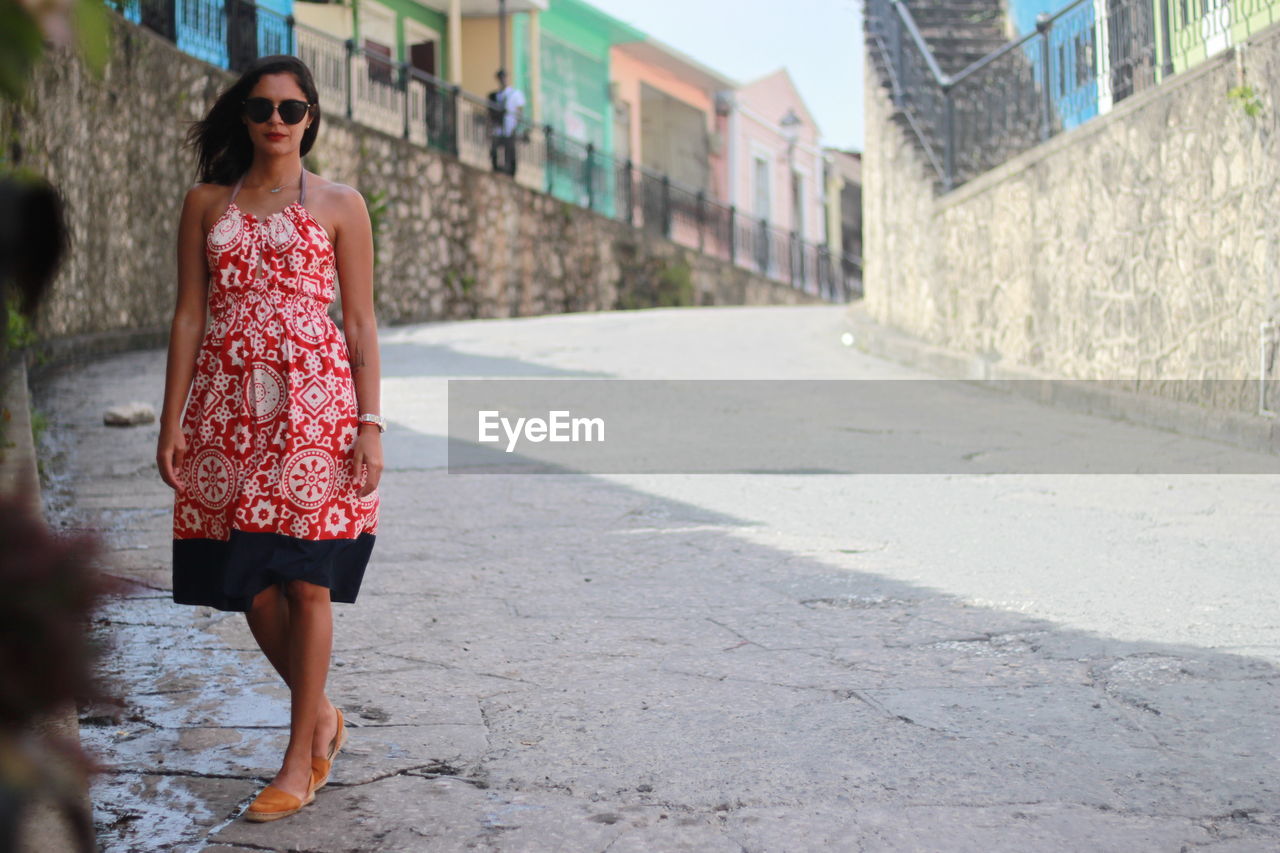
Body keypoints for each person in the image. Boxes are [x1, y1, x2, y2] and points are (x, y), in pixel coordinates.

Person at [155, 55, 383, 823]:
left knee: (308, 579)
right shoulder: (205, 204)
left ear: (311, 117)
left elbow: (358, 323)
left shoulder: (343, 205)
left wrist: (369, 423)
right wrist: (172, 419)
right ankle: (321, 715)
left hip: (314, 407)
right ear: (244, 117)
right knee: (248, 582)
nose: (276, 121)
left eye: (291, 109)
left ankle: (298, 759)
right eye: (262, 108)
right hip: (225, 411)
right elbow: (189, 315)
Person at [487, 69, 525, 177]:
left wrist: (516, 126)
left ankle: (510, 172)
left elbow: (520, 111)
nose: (503, 80)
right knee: (496, 149)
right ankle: (496, 168)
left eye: (504, 77)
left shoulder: (515, 94)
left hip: (510, 127)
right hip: (498, 128)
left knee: (510, 150)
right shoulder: (495, 96)